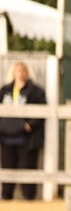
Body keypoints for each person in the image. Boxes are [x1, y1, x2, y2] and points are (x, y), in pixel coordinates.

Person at [0, 61, 46, 200]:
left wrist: (30, 125)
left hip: (27, 137)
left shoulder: (35, 91)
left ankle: (29, 196)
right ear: (13, 72)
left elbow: (43, 111)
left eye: (23, 70)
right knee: (8, 167)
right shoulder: (5, 90)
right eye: (17, 70)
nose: (20, 72)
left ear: (27, 72)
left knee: (28, 166)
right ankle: (6, 196)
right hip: (7, 136)